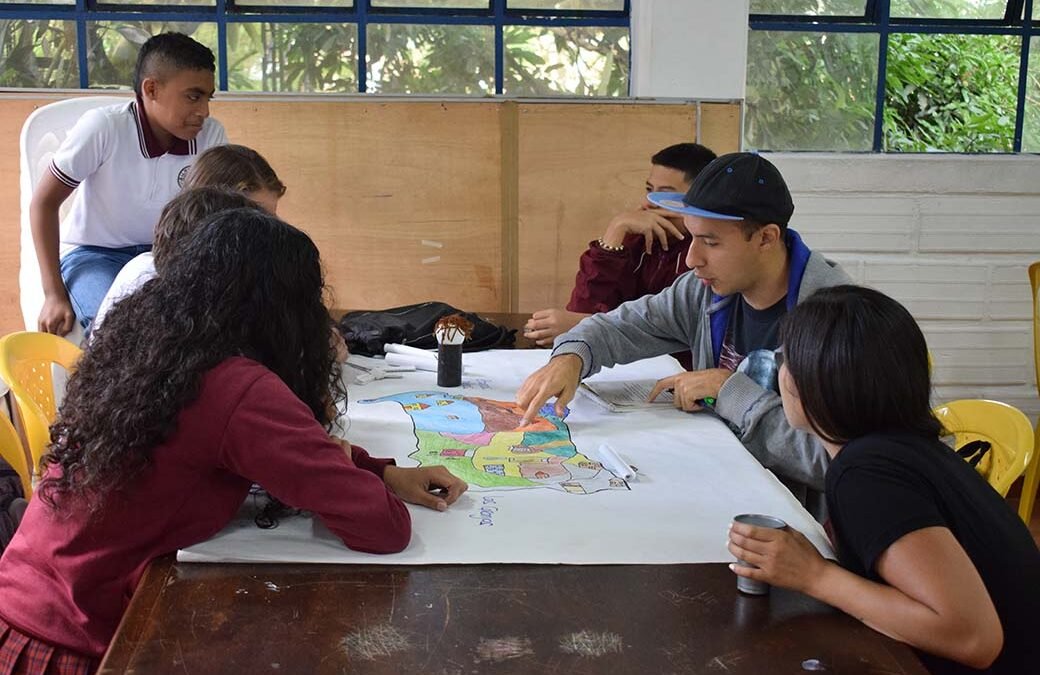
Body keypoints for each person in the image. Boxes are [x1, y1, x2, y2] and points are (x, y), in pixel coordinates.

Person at [0, 208, 467, 673]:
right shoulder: (237, 386)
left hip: (23, 606)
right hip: (74, 647)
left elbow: (271, 451)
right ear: (284, 312)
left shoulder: (151, 345)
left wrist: (379, 471)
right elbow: (384, 528)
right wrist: (356, 480)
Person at [728, 285, 1040, 674]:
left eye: (786, 360)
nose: (781, 373)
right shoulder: (906, 448)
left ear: (817, 382)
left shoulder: (866, 475)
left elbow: (974, 637)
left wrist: (814, 575)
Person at [516, 152, 852, 512]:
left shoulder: (839, 324)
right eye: (692, 238)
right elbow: (622, 325)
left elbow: (835, 463)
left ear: (767, 238)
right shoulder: (703, 289)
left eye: (711, 242)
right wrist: (572, 355)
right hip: (720, 491)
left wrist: (729, 390)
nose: (692, 259)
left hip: (791, 525)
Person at [31, 32, 228, 337]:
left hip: (166, 256)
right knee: (118, 332)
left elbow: (221, 218)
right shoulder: (104, 128)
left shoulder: (210, 136)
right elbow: (43, 203)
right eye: (193, 96)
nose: (204, 111)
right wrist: (53, 295)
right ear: (151, 89)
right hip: (95, 255)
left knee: (201, 329)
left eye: (207, 97)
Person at [524, 143, 717, 351]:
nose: (649, 203)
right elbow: (582, 308)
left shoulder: (704, 255)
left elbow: (686, 336)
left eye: (665, 195)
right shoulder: (637, 240)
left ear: (700, 199)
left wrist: (585, 326)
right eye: (649, 190)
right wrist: (615, 230)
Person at [93, 144, 286, 332]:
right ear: (215, 211)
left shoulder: (223, 276)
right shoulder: (153, 279)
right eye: (259, 219)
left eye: (272, 217)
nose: (271, 230)